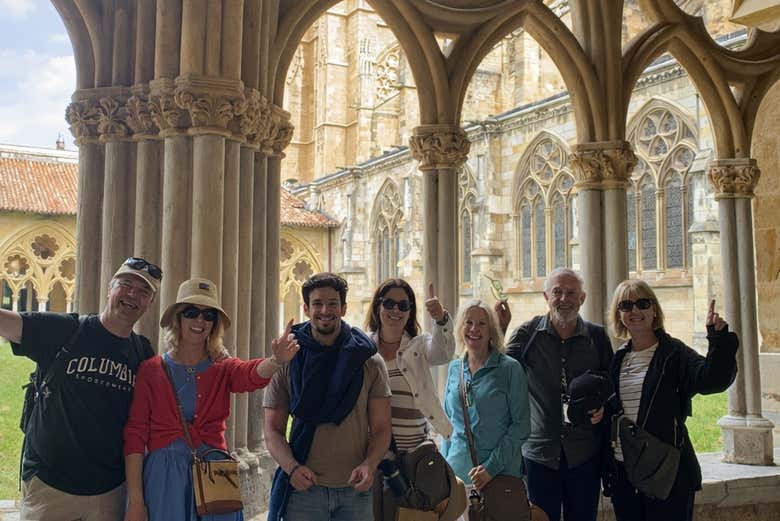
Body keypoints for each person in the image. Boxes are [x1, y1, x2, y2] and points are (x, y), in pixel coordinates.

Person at [123, 277, 300, 521]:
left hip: (215, 475)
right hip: (165, 478)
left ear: (214, 324)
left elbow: (249, 375)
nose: (200, 321)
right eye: (191, 312)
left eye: (208, 315)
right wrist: (135, 501)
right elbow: (135, 436)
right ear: (177, 318)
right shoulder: (151, 370)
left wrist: (276, 361)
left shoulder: (222, 367)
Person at [0, 257, 161, 521]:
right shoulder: (65, 330)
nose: (133, 294)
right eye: (126, 284)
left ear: (150, 303)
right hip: (50, 488)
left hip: (109, 492)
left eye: (144, 291)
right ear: (110, 288)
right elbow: (7, 323)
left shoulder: (142, 353)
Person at [604, 280, 738, 521]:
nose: (635, 310)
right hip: (625, 471)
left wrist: (718, 341)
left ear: (654, 310)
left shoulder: (674, 353)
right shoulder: (619, 359)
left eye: (642, 303)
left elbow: (712, 380)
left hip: (666, 471)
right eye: (626, 305)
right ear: (619, 314)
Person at [264, 272, 392, 521]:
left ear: (343, 308)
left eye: (333, 303)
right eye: (317, 304)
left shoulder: (368, 361)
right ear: (306, 308)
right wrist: (292, 468)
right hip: (304, 489)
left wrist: (370, 464)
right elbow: (272, 430)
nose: (325, 310)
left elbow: (381, 428)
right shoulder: (288, 360)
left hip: (355, 489)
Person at [504, 267, 613, 521]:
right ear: (546, 296)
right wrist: (499, 328)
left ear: (582, 298)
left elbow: (611, 386)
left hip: (584, 455)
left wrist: (603, 408)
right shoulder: (527, 335)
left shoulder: (597, 337)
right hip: (539, 456)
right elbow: (499, 374)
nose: (564, 299)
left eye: (571, 293)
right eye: (557, 292)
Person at [365, 279, 465, 521]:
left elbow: (444, 352)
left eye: (403, 305)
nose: (396, 310)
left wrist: (441, 319)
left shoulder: (417, 346)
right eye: (389, 303)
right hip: (379, 456)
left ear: (410, 312)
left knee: (418, 515)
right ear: (378, 306)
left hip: (417, 456)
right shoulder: (364, 348)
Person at [441, 300, 529, 505]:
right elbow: (447, 425)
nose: (474, 329)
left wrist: (491, 468)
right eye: (468, 322)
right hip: (458, 478)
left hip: (500, 477)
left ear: (491, 331)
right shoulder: (454, 368)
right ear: (460, 328)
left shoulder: (510, 369)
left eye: (482, 323)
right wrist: (445, 470)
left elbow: (521, 426)